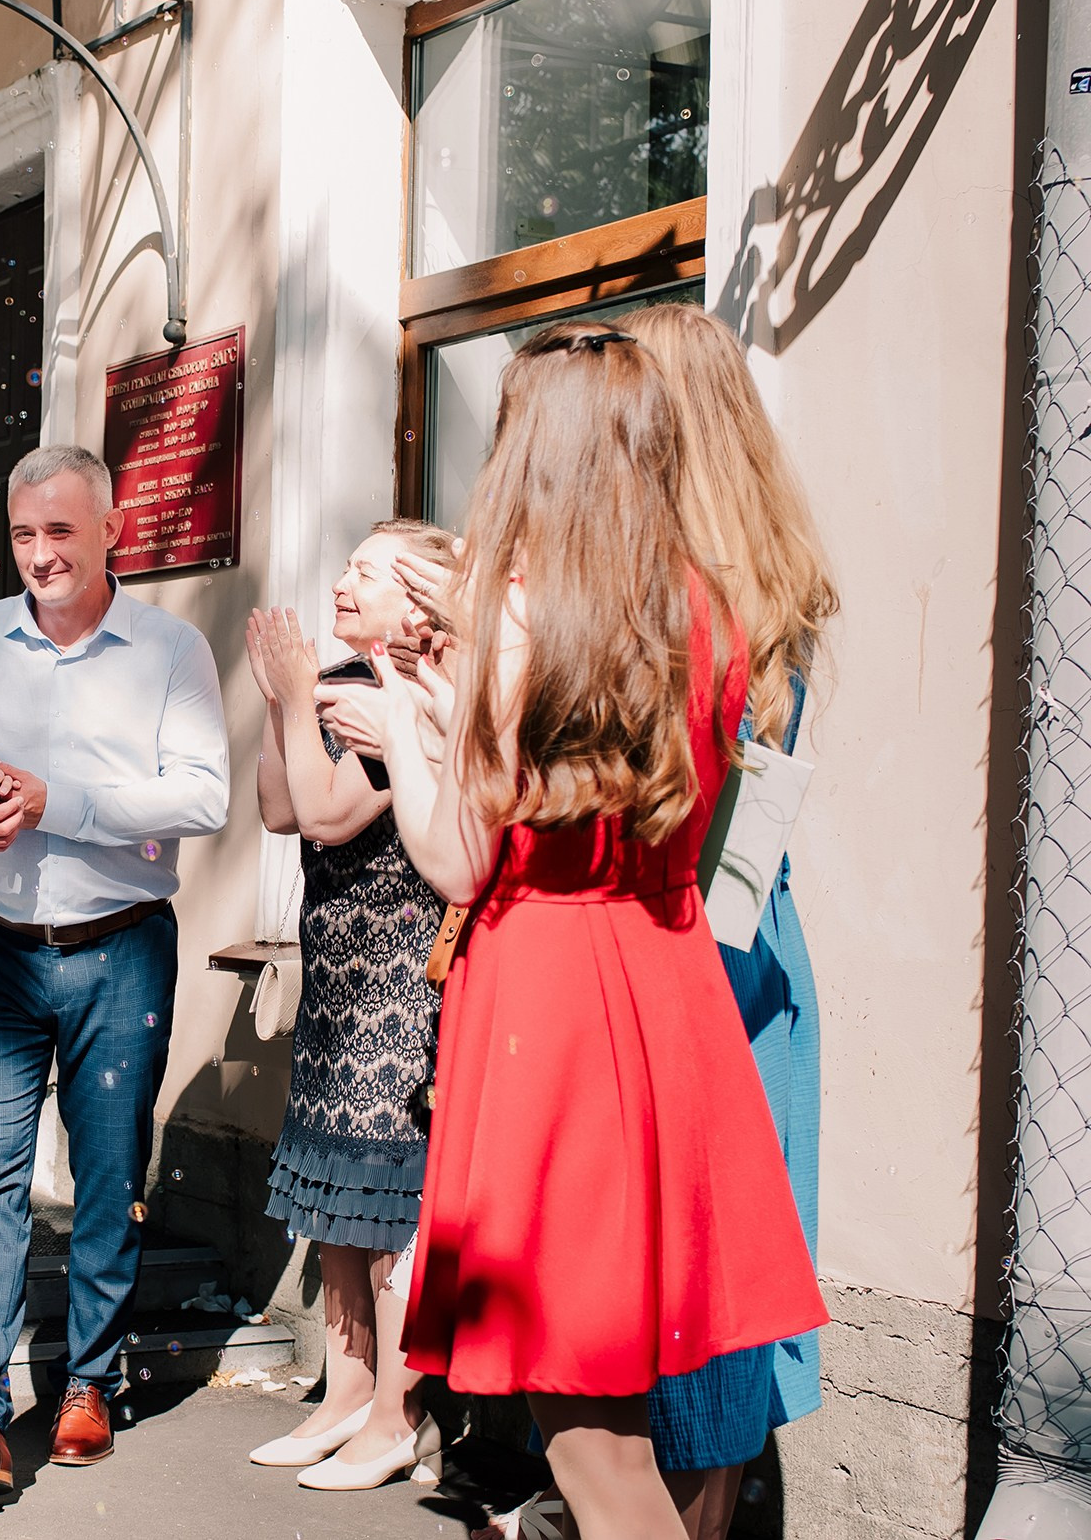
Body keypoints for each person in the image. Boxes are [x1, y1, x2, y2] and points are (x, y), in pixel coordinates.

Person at [316, 324, 826, 1540]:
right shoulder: (706, 607)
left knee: (591, 1442)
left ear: (526, 450)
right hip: (664, 981)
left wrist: (411, 712)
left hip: (548, 1001)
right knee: (645, 1408)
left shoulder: (518, 613)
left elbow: (455, 857)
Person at [0, 443, 231, 1495]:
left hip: (118, 945)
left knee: (110, 1173)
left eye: (60, 531)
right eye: (24, 534)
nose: (40, 553)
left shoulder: (169, 648)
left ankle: (90, 1377)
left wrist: (53, 799)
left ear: (112, 528)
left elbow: (203, 795)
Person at [605, 300, 836, 1540]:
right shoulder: (774, 583)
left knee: (692, 1279)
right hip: (753, 944)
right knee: (722, 1280)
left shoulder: (682, 603)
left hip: (693, 949)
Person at [244, 519, 457, 1491]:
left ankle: (392, 1414)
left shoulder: (407, 695)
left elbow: (331, 809)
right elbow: (281, 808)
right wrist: (276, 704)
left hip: (399, 985)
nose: (342, 580)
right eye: (346, 564)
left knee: (382, 1205)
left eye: (368, 572)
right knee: (333, 1198)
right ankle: (342, 1392)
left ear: (419, 600)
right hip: (337, 981)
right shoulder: (339, 682)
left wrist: (296, 699)